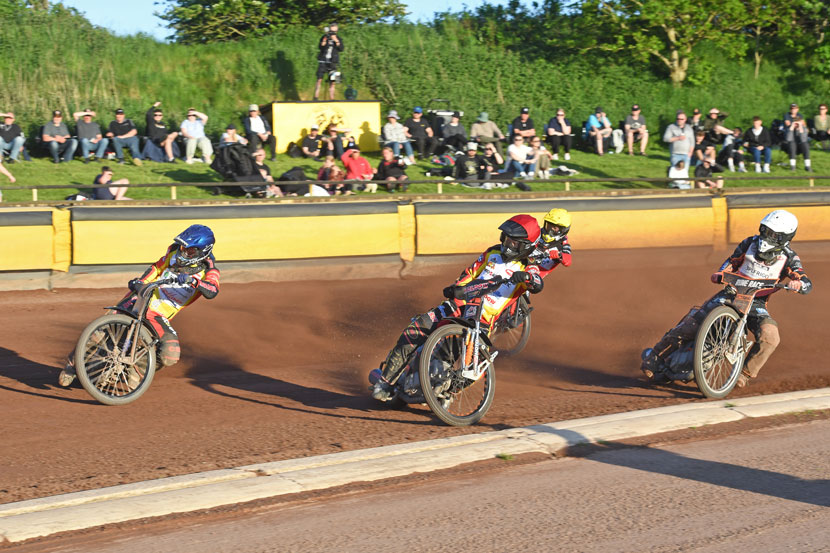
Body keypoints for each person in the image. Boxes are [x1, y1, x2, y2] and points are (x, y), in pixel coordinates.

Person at [371, 215, 544, 401]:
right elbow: (470, 274)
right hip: (458, 306)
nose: (507, 245)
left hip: (483, 321)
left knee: (476, 367)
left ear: (526, 246)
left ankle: (446, 392)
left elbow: (537, 282)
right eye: (506, 239)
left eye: (514, 242)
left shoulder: (528, 266)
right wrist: (457, 289)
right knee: (416, 329)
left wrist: (528, 278)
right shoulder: (492, 253)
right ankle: (385, 382)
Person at [641, 210, 812, 388]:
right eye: (765, 230)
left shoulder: (789, 257)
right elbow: (732, 261)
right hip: (731, 293)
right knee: (692, 324)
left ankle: (743, 375)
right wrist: (721, 273)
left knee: (771, 337)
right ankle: (654, 357)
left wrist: (799, 284)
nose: (766, 236)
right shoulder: (749, 243)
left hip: (756, 303)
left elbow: (804, 280)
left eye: (773, 234)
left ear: (784, 238)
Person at [58, 224, 220, 388]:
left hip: (159, 315)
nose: (183, 253)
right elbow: (156, 268)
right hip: (142, 298)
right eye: (183, 248)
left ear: (203, 252)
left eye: (189, 251)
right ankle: (72, 364)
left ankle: (135, 370)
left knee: (170, 354)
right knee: (103, 329)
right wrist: (141, 282)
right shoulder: (173, 252)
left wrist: (194, 282)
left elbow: (212, 290)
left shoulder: (209, 271)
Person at [527, 208, 573, 279]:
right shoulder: (537, 232)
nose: (550, 230)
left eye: (554, 228)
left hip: (534, 273)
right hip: (521, 261)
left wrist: (558, 254)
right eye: (549, 225)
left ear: (563, 230)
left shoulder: (562, 244)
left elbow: (567, 262)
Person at [314, 23, 343, 101]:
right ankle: (316, 97)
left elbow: (341, 49)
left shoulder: (338, 39)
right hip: (323, 61)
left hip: (333, 62)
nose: (332, 33)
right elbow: (320, 47)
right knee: (319, 79)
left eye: (334, 31)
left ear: (337, 31)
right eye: (331, 31)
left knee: (332, 81)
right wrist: (324, 41)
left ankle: (332, 98)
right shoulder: (324, 37)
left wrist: (336, 41)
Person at [783, 103, 811, 171]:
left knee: (805, 145)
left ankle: (807, 166)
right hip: (791, 143)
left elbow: (803, 139)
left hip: (800, 144)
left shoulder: (802, 127)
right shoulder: (788, 119)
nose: (793, 110)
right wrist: (792, 127)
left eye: (795, 108)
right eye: (792, 108)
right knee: (792, 144)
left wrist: (800, 127)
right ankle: (793, 167)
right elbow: (788, 139)